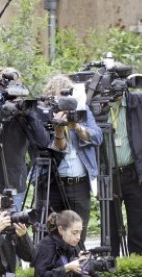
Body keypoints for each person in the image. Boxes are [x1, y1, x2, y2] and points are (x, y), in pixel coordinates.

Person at [0, 67, 51, 209]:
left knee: (12, 227)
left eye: (16, 84)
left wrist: (27, 112)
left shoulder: (25, 109)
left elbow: (43, 142)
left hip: (13, 180)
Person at [42, 74, 102, 245]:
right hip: (52, 182)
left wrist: (76, 126)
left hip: (80, 183)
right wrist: (56, 125)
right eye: (60, 98)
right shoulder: (44, 113)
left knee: (77, 233)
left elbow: (97, 137)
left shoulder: (81, 111)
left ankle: (76, 268)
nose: (65, 103)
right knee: (51, 232)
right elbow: (41, 144)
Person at [106, 72, 142, 256]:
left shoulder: (138, 101)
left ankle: (139, 269)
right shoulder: (98, 105)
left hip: (134, 172)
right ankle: (112, 268)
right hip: (107, 175)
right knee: (110, 230)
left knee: (138, 226)